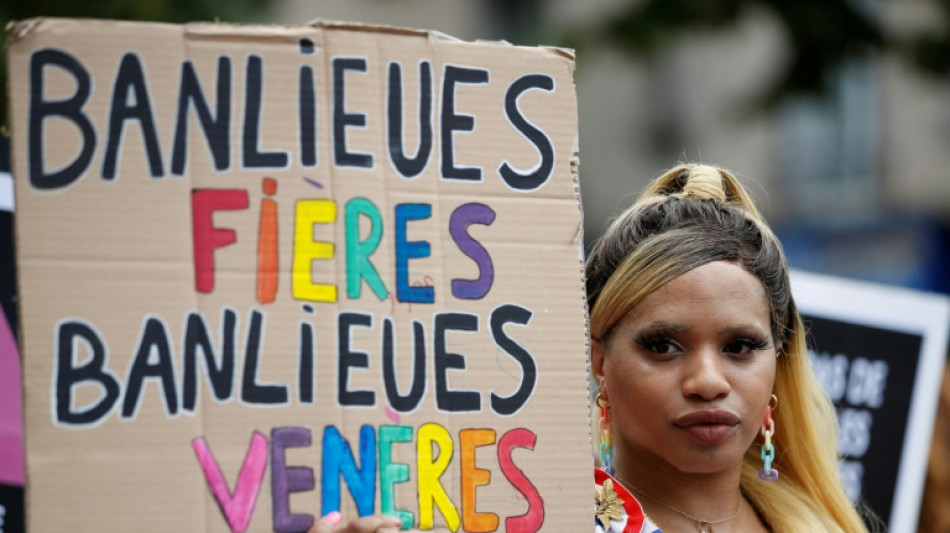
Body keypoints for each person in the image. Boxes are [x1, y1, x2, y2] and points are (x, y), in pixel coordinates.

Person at [586, 163, 876, 532]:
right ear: (600, 362)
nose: (708, 382)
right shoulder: (540, 520)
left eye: (739, 346)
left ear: (778, 362)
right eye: (663, 346)